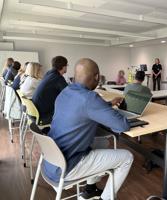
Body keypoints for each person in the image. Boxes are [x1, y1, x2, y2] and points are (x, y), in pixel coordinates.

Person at [43, 58, 133, 200]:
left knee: (103, 143)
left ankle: (90, 189)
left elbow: (84, 109)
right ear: (97, 77)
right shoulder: (90, 98)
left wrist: (107, 105)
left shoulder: (65, 91)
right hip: (67, 166)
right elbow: (122, 126)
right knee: (127, 157)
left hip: (50, 161)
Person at [32, 56, 68, 124]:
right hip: (43, 115)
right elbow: (69, 93)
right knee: (70, 111)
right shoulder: (58, 77)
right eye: (67, 65)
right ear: (63, 66)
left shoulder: (49, 73)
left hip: (35, 111)